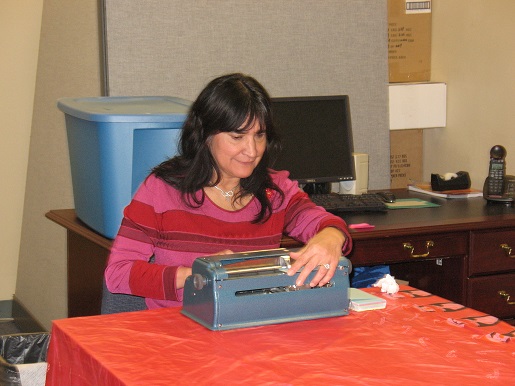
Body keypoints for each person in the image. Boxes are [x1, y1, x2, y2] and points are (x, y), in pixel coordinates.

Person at [105, 73, 352, 309]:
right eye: (237, 136)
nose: (252, 150)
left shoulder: (274, 190)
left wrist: (331, 238)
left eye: (259, 135)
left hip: (250, 327)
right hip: (177, 329)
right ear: (206, 135)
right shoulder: (162, 190)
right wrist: (200, 273)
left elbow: (321, 221)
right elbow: (118, 273)